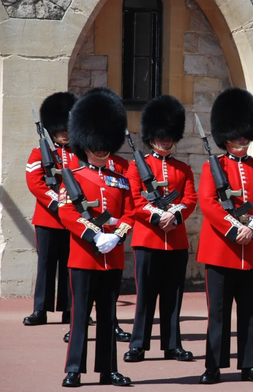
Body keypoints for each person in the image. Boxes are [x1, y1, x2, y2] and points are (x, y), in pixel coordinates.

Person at [197, 88, 253, 384]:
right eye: (236, 136)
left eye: (245, 135)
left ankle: (250, 365)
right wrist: (233, 228)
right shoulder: (212, 167)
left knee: (250, 312)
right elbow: (208, 203)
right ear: (225, 136)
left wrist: (252, 226)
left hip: (251, 250)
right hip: (221, 250)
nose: (242, 140)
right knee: (217, 312)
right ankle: (213, 365)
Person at [58, 91, 134, 387]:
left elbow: (131, 213)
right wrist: (93, 235)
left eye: (104, 145)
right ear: (85, 143)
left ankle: (108, 369)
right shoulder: (75, 176)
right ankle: (74, 368)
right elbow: (66, 212)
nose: (101, 150)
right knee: (80, 316)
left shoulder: (120, 178)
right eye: (95, 146)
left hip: (111, 256)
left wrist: (117, 237)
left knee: (108, 316)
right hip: (84, 256)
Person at [124, 95, 198, 363]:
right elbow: (133, 200)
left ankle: (172, 345)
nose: (166, 141)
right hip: (148, 240)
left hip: (176, 242)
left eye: (169, 137)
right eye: (162, 136)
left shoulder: (183, 168)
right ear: (152, 136)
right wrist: (157, 216)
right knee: (145, 297)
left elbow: (190, 199)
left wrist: (174, 215)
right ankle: (138, 345)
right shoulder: (136, 167)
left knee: (173, 298)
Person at [24, 92, 78, 327]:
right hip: (48, 217)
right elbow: (34, 181)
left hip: (73, 218)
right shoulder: (39, 152)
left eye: (67, 129)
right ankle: (40, 310)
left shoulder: (79, 154)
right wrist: (57, 201)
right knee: (46, 263)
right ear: (52, 130)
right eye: (60, 130)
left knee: (71, 263)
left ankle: (70, 309)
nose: (64, 133)